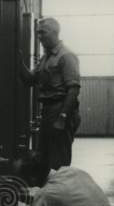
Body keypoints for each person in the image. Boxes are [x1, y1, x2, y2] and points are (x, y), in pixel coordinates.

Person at [18, 16, 81, 169]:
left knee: (59, 159)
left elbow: (73, 89)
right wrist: (18, 61)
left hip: (61, 109)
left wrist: (63, 117)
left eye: (42, 33)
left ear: (54, 32)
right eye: (38, 33)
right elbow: (30, 80)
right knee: (45, 156)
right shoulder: (46, 57)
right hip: (48, 110)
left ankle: (61, 190)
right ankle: (50, 191)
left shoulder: (66, 56)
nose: (39, 37)